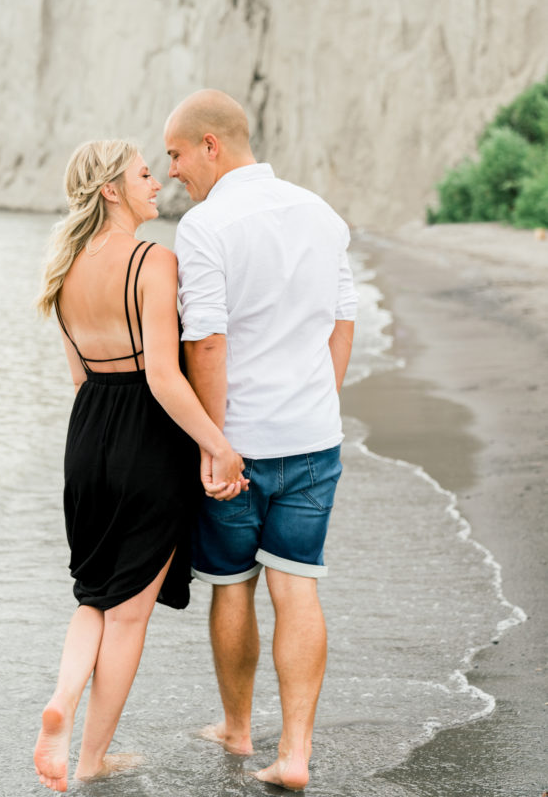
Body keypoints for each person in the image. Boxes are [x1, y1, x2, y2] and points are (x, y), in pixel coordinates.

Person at [32, 139, 245, 792]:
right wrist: (217, 444)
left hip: (87, 438)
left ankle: (64, 699)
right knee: (128, 616)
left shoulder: (63, 268)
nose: (158, 183)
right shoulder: (154, 261)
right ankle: (91, 758)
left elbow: (79, 379)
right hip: (148, 444)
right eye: (144, 175)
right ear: (111, 191)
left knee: (93, 595)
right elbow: (162, 376)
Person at [164, 89, 358, 791]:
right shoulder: (319, 212)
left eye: (178, 154)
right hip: (312, 437)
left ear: (211, 144)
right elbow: (342, 321)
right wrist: (316, 404)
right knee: (298, 587)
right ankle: (296, 754)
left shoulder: (206, 225)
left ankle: (240, 730)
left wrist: (213, 443)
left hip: (236, 444)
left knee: (231, 587)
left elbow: (205, 341)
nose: (174, 171)